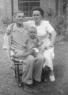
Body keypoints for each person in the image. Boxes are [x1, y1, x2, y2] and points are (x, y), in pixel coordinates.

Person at [3, 11, 44, 85]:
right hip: (20, 52)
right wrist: (10, 61)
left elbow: (35, 19)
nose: (21, 18)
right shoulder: (10, 30)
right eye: (19, 16)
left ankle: (35, 78)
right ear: (14, 18)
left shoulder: (27, 26)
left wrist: (38, 42)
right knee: (30, 58)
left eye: (23, 16)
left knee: (41, 58)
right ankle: (26, 80)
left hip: (30, 49)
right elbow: (7, 47)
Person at [24, 7, 57, 82]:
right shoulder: (30, 23)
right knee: (38, 57)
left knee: (47, 56)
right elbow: (19, 22)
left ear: (41, 16)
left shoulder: (45, 23)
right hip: (35, 45)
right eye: (34, 15)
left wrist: (51, 45)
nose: (35, 17)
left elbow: (54, 33)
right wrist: (10, 27)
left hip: (45, 45)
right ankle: (41, 73)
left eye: (37, 15)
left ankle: (50, 72)